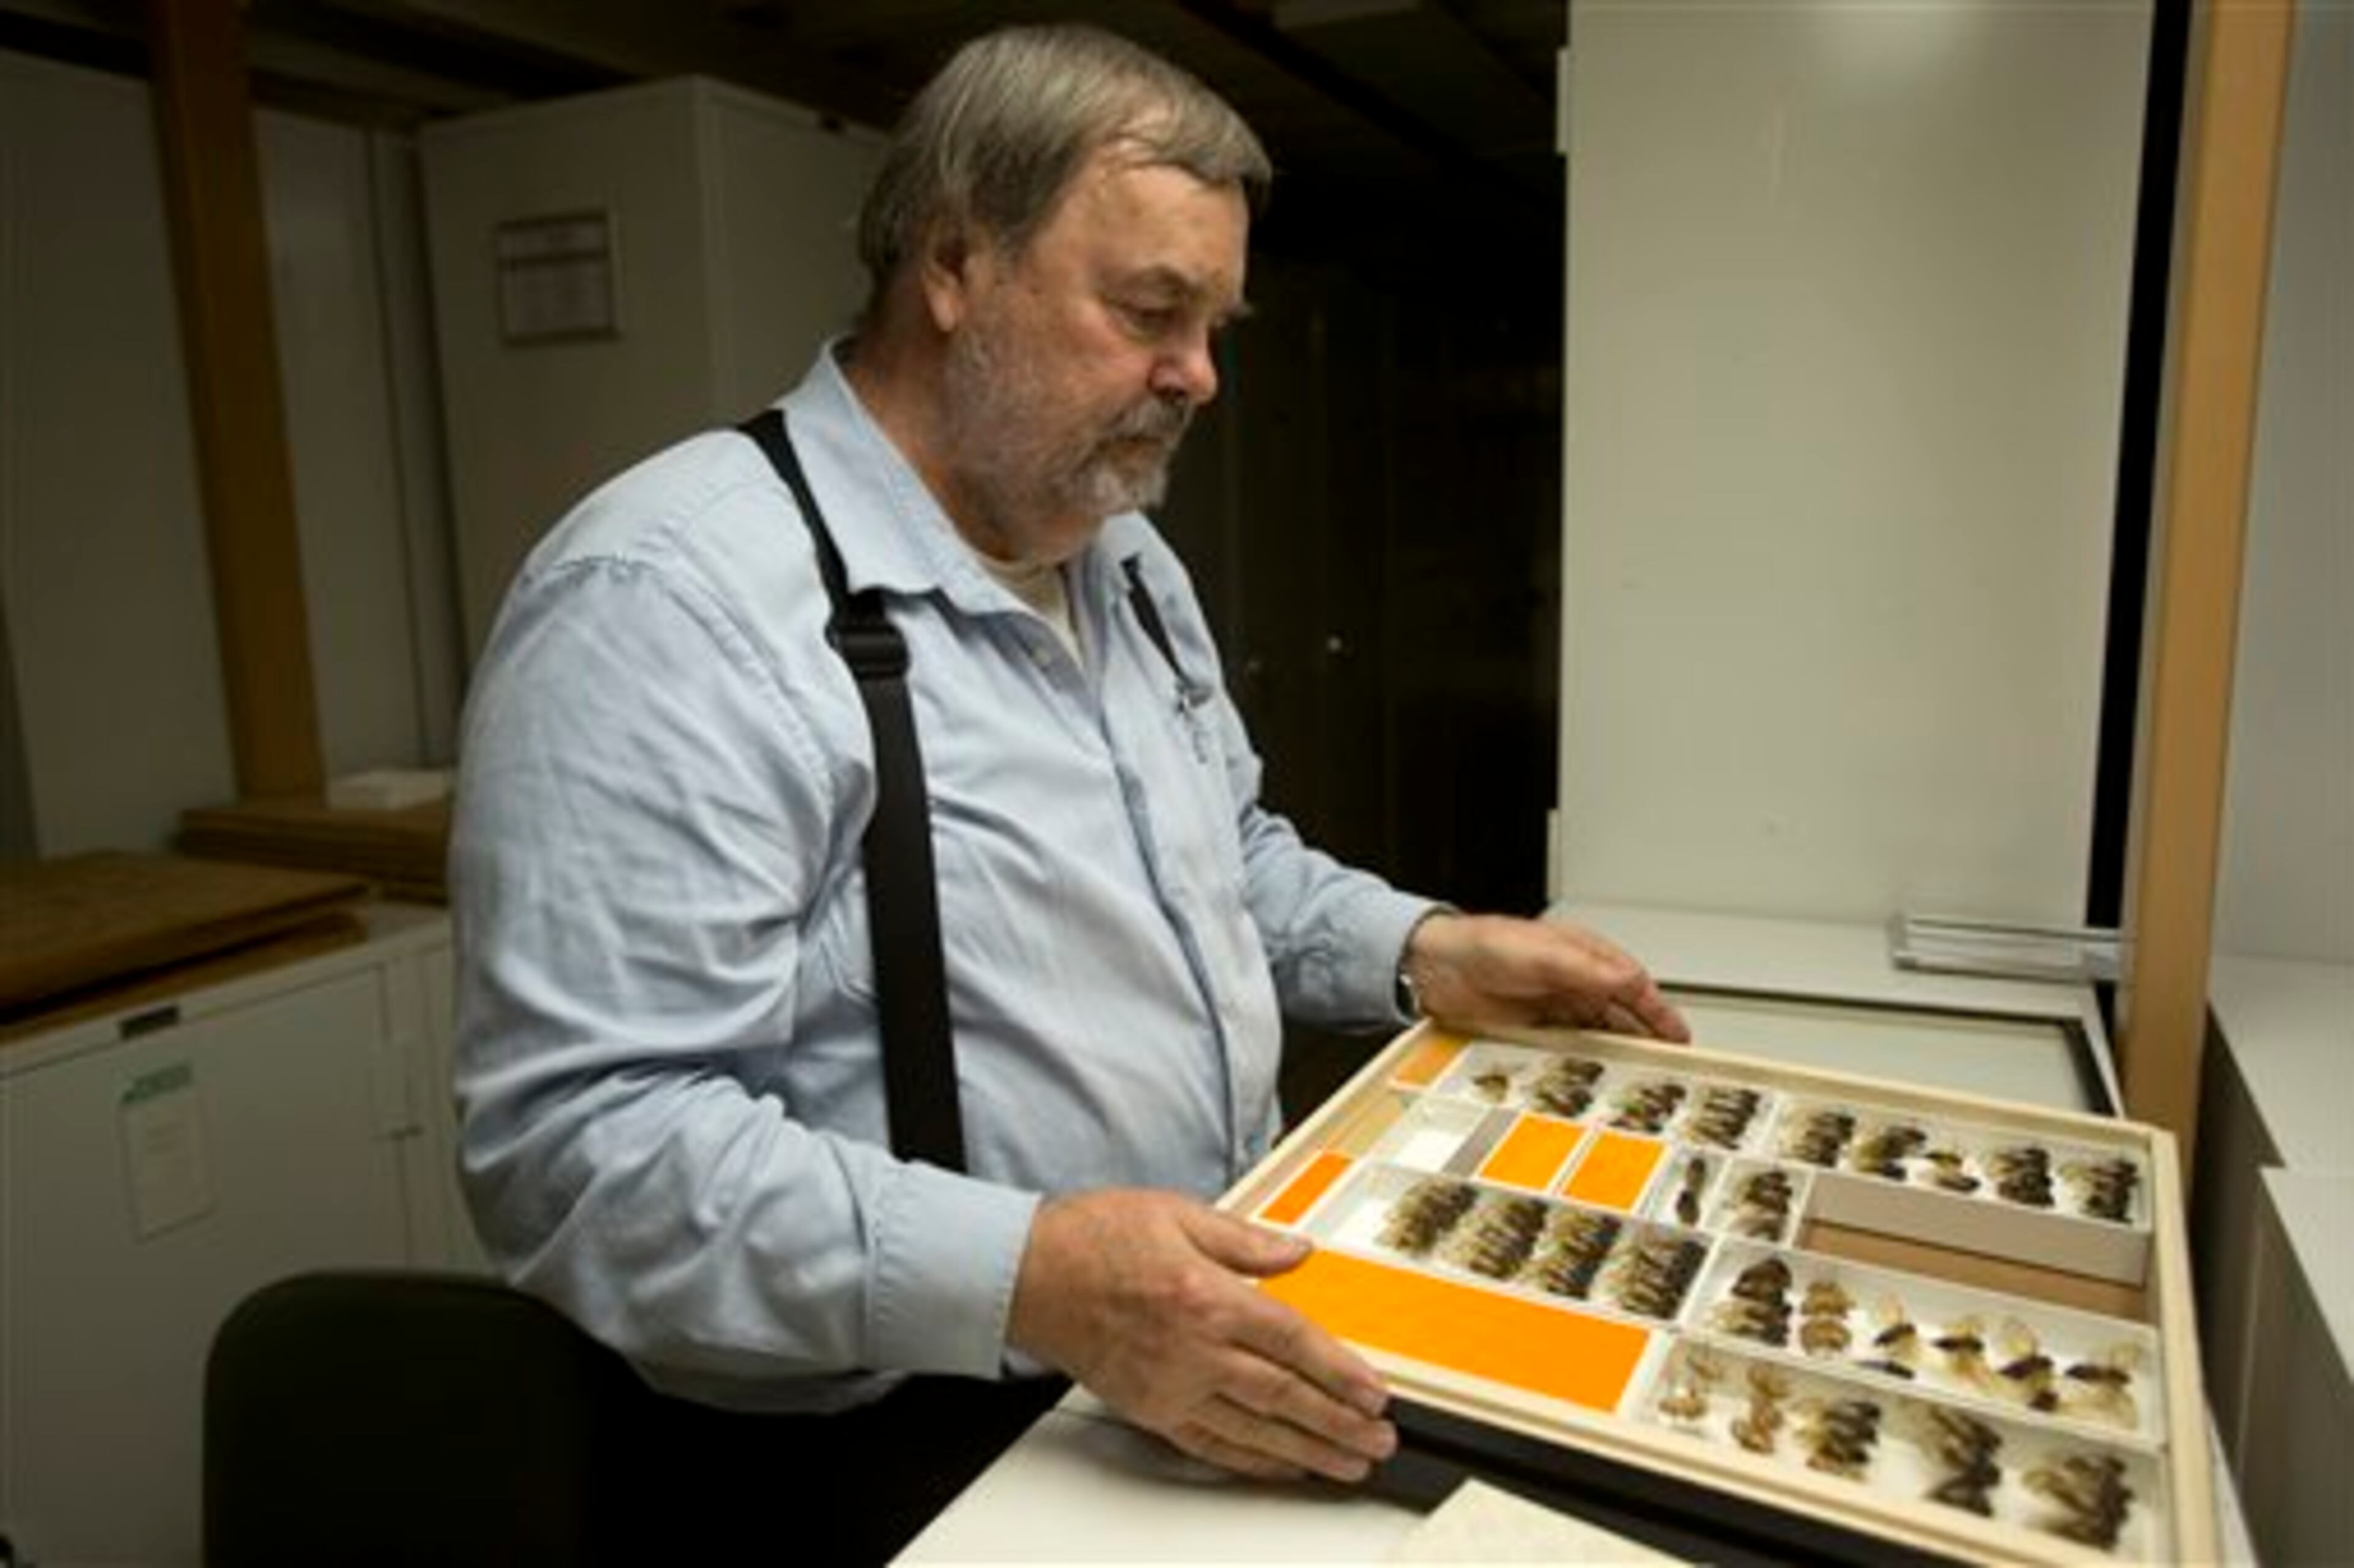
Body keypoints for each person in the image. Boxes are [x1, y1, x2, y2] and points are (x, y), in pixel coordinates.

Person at [451, 20, 1687, 1558]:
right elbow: (582, 1152)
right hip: (882, 1453)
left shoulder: (1120, 555)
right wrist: (1035, 1278)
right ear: (955, 263)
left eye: (1217, 324)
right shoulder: (670, 600)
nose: (1201, 376)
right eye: (1152, 310)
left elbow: (1218, 859)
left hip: (1170, 1363)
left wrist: (1427, 951)